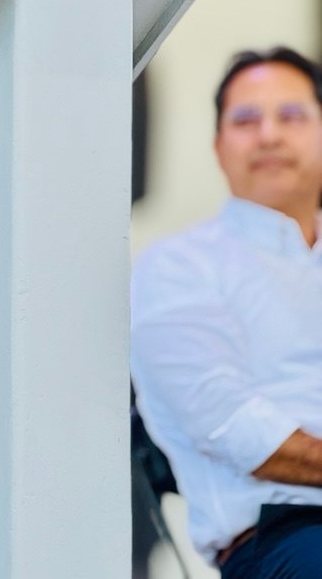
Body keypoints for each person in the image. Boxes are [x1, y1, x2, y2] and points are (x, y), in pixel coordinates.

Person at [131, 46, 322, 578]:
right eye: (246, 119)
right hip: (285, 535)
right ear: (218, 146)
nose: (269, 135)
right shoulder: (178, 267)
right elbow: (234, 428)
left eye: (291, 115)